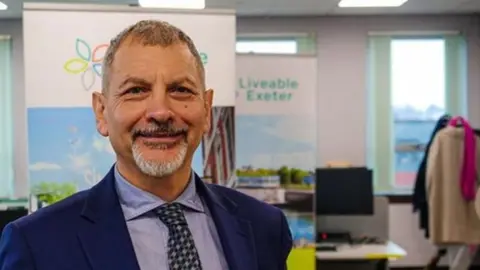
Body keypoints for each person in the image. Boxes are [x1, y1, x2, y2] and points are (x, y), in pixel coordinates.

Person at [0, 20, 292, 270]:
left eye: (180, 90)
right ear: (101, 112)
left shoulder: (264, 227)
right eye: (136, 90)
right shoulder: (37, 243)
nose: (161, 111)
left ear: (206, 109)